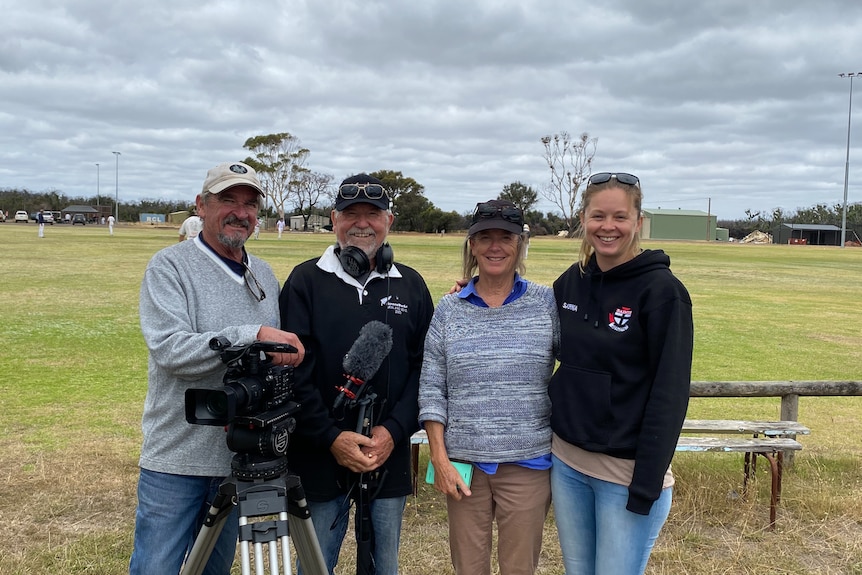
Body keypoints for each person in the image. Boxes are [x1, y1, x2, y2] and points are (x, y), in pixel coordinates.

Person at [130, 161, 305, 575]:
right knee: (156, 567)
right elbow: (170, 350)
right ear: (201, 206)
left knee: (215, 568)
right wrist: (252, 334)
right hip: (176, 459)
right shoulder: (169, 266)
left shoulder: (263, 273)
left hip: (242, 459)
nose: (240, 212)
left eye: (249, 204)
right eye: (228, 199)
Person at [278, 173, 434, 575]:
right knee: (314, 563)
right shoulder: (304, 281)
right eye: (351, 214)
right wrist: (331, 437)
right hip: (319, 449)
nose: (361, 223)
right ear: (334, 220)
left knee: (385, 565)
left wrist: (394, 431)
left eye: (372, 214)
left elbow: (426, 369)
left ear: (389, 222)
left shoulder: (412, 286)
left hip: (389, 450)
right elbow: (294, 372)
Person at [549, 172, 693, 575]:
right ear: (583, 219)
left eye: (619, 217)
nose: (607, 227)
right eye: (598, 216)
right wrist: (472, 292)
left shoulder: (663, 292)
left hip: (625, 476)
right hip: (567, 463)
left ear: (638, 221)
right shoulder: (570, 283)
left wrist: (645, 485)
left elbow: (670, 392)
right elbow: (528, 326)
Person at [418, 199, 559, 575]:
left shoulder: (546, 302)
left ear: (520, 244)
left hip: (528, 462)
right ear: (472, 246)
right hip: (463, 465)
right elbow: (432, 388)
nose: (495, 246)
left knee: (519, 567)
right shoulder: (449, 309)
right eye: (485, 237)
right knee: (469, 566)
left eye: (505, 237)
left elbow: (579, 365)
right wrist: (439, 458)